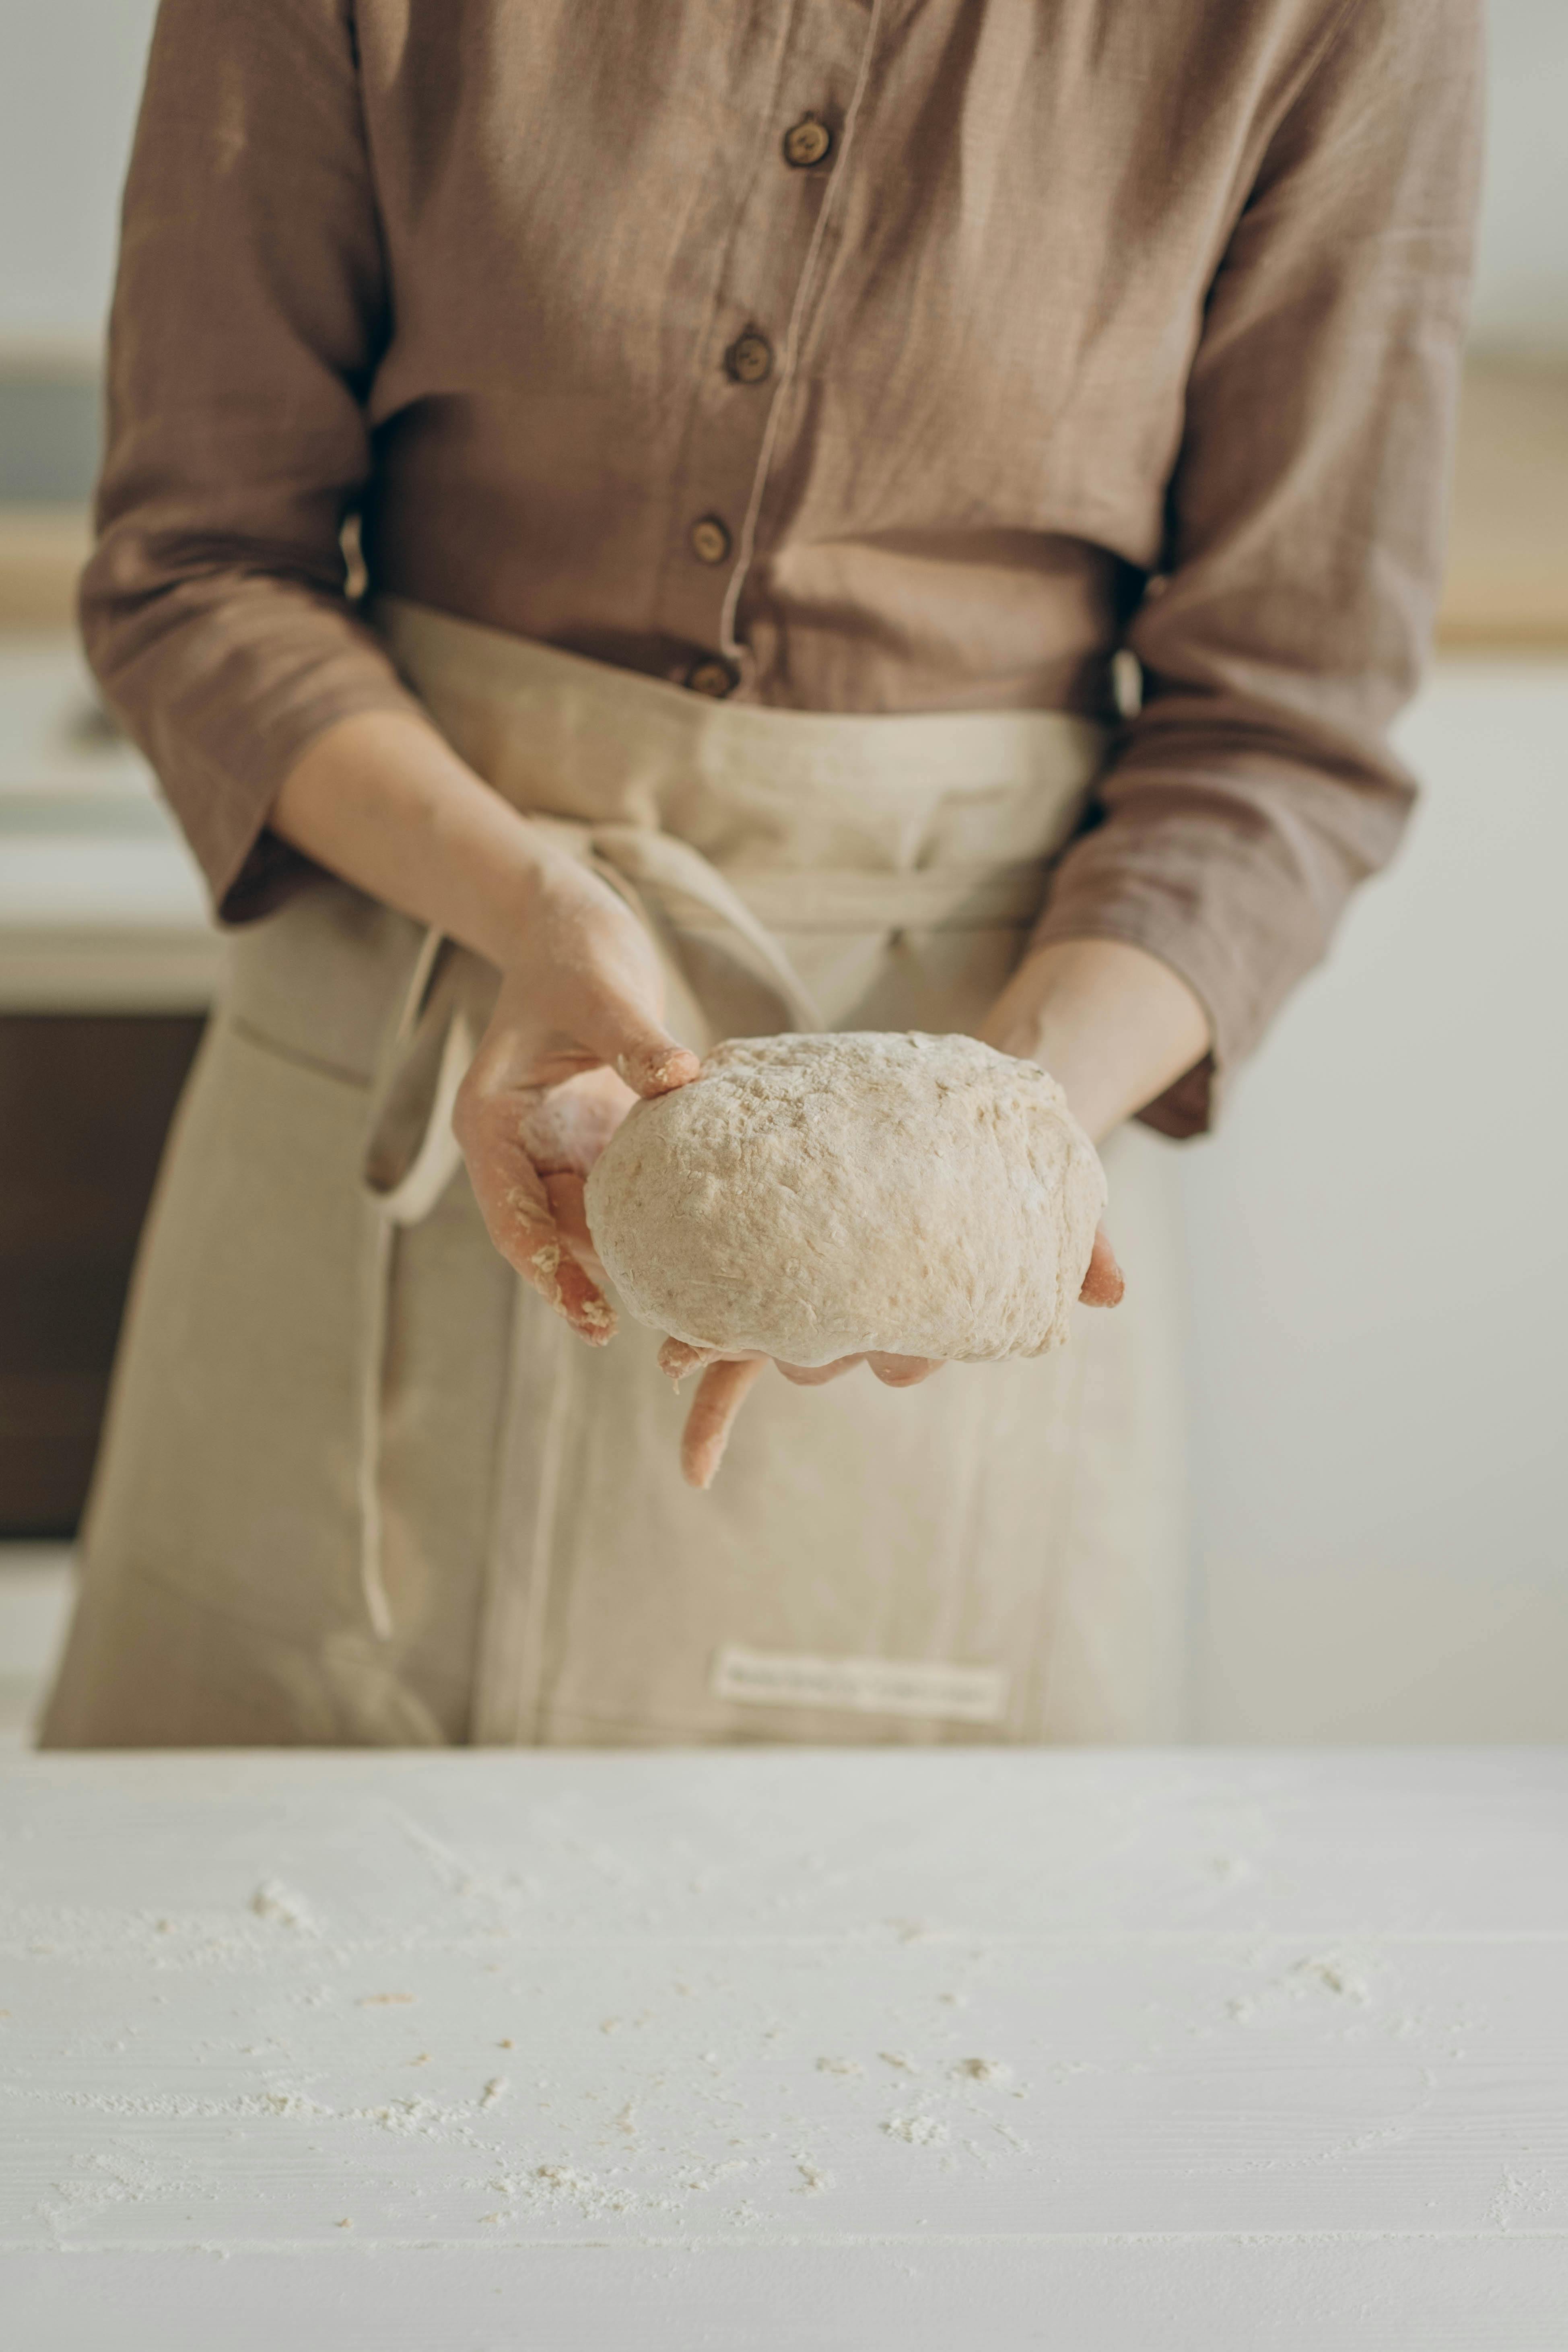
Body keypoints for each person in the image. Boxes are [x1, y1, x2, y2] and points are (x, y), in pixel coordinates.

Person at [40, 0, 1480, 1752]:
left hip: (982, 1071)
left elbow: (1285, 725)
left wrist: (989, 1162)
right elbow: (198, 563)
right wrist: (536, 907)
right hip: (414, 997)